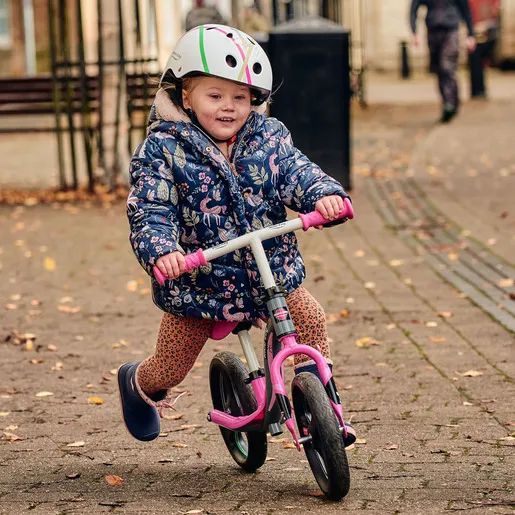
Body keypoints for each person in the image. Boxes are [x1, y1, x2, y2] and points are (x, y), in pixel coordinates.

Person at [117, 24, 356, 446]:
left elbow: (295, 172)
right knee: (171, 368)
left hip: (271, 274)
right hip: (198, 282)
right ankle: (138, 384)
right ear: (185, 96)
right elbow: (151, 206)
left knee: (311, 320)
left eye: (240, 98)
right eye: (215, 96)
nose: (229, 107)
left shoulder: (268, 137)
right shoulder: (163, 149)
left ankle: (321, 407)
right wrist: (162, 251)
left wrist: (323, 196)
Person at [410, 0, 477, 122]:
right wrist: (414, 31)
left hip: (451, 30)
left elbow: (466, 10)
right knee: (439, 70)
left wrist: (471, 35)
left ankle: (450, 103)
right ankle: (449, 101)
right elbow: (413, 9)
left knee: (447, 65)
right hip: (433, 31)